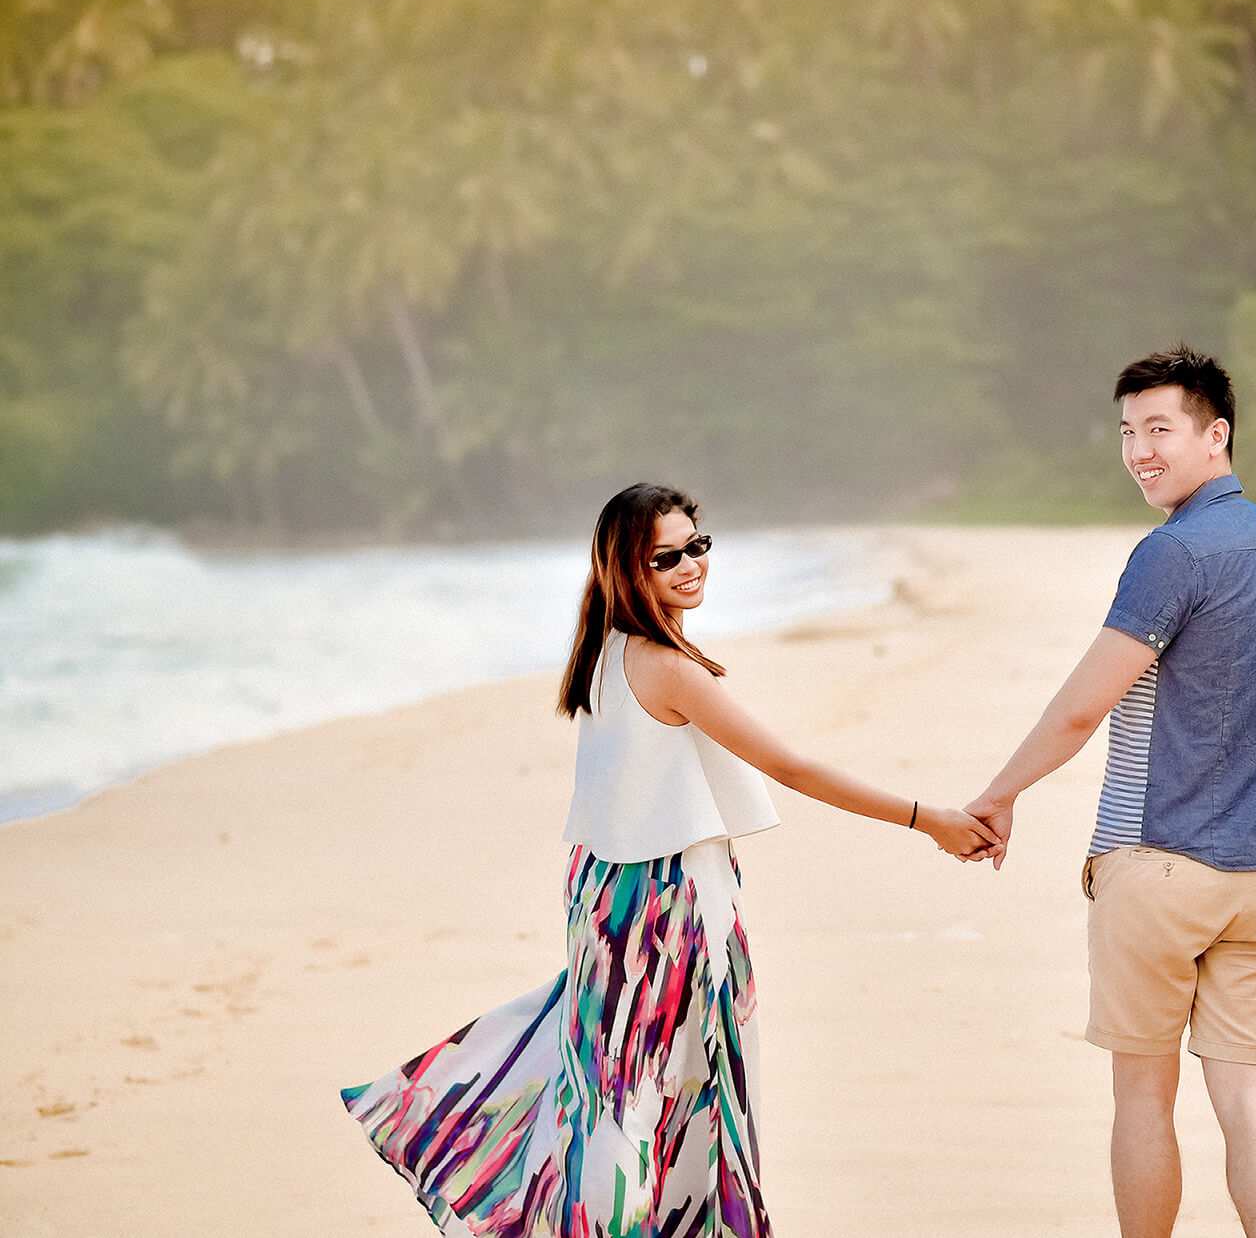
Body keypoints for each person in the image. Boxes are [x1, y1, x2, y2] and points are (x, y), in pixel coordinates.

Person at [339, 483, 994, 1237]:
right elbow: (791, 767)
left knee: (614, 1088)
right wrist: (927, 819)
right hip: (664, 905)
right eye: (667, 557)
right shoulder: (668, 667)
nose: (691, 566)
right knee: (668, 1094)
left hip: (606, 893)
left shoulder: (606, 651)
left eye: (698, 546)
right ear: (629, 571)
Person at [964, 347, 1256, 1238]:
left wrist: (999, 795)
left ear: (1215, 433)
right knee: (1248, 1093)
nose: (1139, 452)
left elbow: (1083, 710)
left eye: (1159, 429)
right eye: (1126, 432)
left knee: (1143, 1102)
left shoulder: (1172, 553)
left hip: (1160, 865)